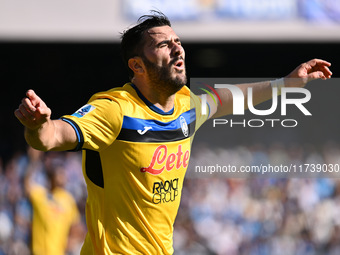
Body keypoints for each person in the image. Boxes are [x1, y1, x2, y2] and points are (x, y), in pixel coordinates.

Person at [14, 11, 332, 255]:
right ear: (137, 66)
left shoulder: (187, 105)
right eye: (164, 45)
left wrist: (285, 85)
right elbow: (53, 137)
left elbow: (231, 98)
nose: (177, 49)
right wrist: (38, 124)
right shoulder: (115, 109)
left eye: (178, 41)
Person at [24, 150, 82, 255]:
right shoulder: (41, 195)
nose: (63, 176)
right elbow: (26, 185)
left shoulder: (68, 199)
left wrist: (72, 241)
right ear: (52, 176)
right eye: (60, 173)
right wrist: (33, 161)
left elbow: (77, 227)